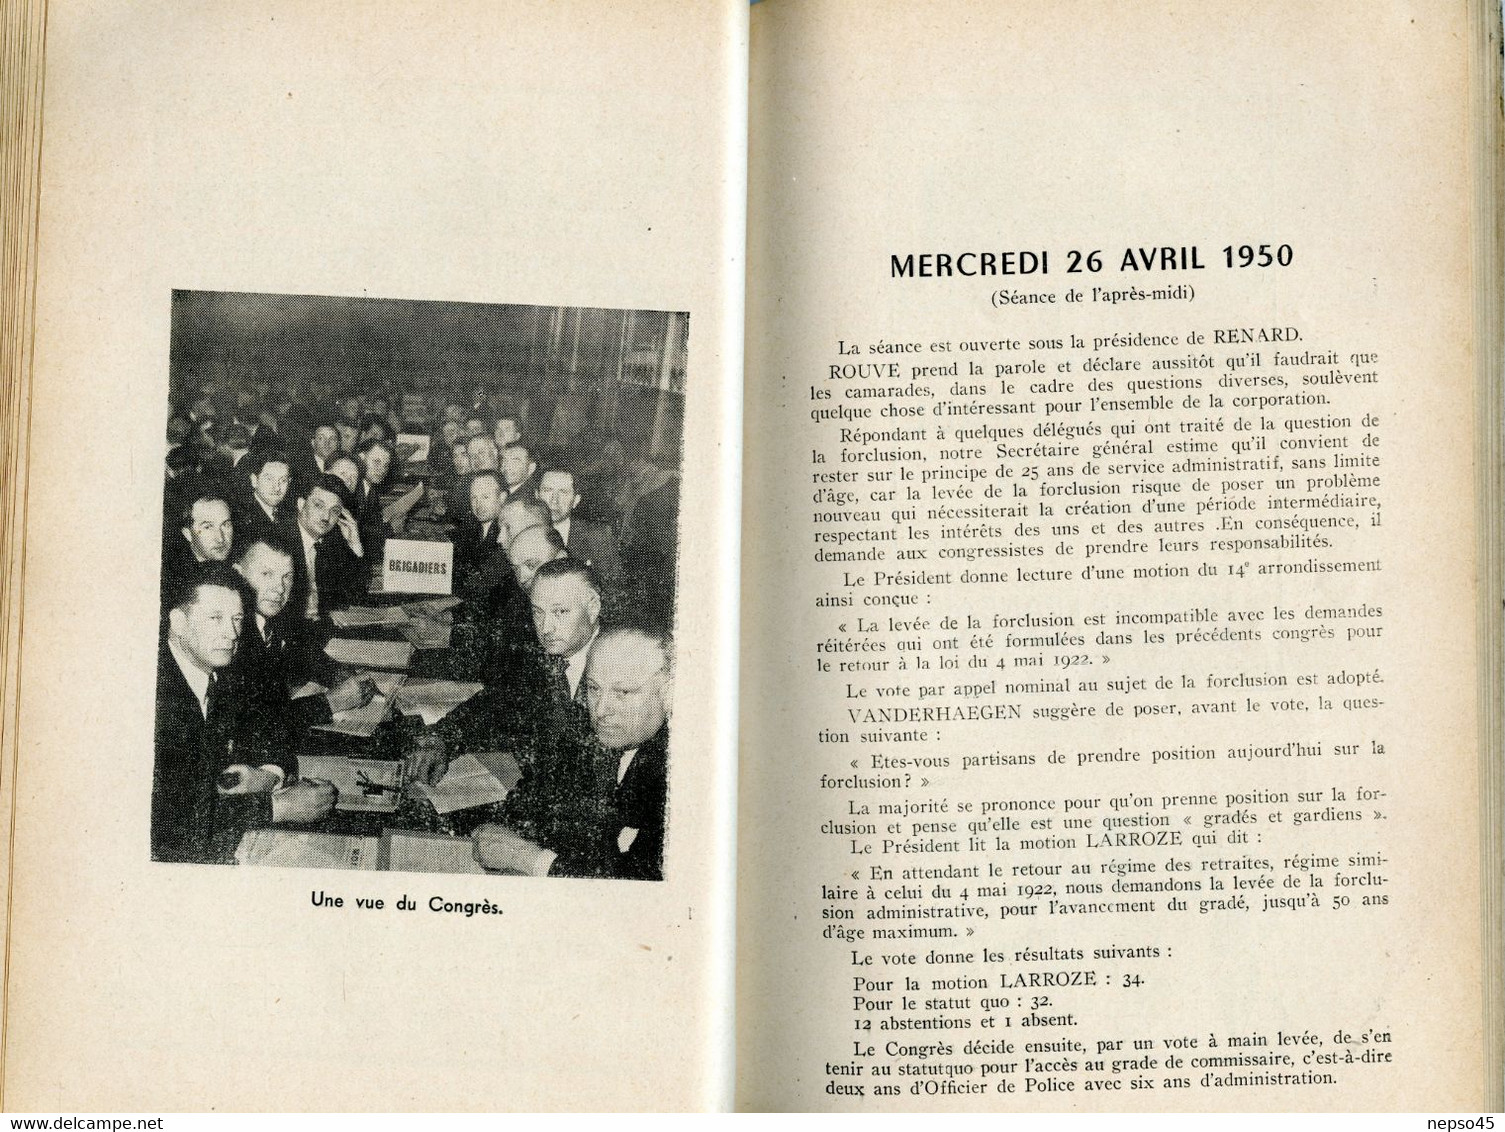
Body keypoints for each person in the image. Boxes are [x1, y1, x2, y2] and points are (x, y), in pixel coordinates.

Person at [153, 563, 335, 864]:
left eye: (238, 619)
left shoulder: (217, 667)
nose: (232, 633)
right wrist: (277, 807)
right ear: (179, 622)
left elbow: (266, 724)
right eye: (215, 618)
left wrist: (267, 775)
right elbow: (167, 822)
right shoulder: (157, 692)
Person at [472, 626, 671, 881]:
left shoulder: (678, 772)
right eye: (594, 688)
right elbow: (536, 792)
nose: (600, 710)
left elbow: (636, 887)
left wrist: (529, 858)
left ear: (669, 693)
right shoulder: (593, 731)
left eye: (623, 692)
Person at [288, 474, 366, 624]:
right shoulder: (280, 542)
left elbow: (357, 596)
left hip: (323, 629)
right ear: (301, 504)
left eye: (335, 511)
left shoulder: (332, 543)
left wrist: (355, 545)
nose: (326, 517)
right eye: (319, 505)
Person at [538, 467, 620, 582]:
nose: (554, 500)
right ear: (537, 495)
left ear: (576, 500)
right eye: (547, 490)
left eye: (563, 492)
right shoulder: (521, 534)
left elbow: (613, 587)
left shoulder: (598, 538)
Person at [238, 451, 295, 547]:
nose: (277, 488)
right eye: (269, 479)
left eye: (283, 480)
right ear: (254, 480)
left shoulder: (290, 514)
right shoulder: (240, 518)